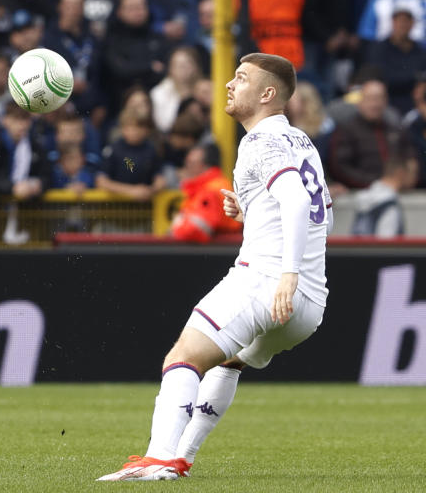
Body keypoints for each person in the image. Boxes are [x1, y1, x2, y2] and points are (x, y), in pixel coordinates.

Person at [98, 53, 332, 481]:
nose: (229, 84)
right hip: (310, 306)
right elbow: (317, 212)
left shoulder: (260, 141)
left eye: (241, 78)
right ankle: (181, 458)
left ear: (266, 94)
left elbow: (298, 201)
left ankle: (160, 458)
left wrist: (286, 274)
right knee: (229, 362)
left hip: (267, 280)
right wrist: (250, 211)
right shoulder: (301, 141)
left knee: (184, 358)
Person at [350, 155, 417, 237]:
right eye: (413, 173)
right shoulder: (389, 206)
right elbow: (385, 245)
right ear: (401, 173)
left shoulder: (366, 197)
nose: (415, 178)